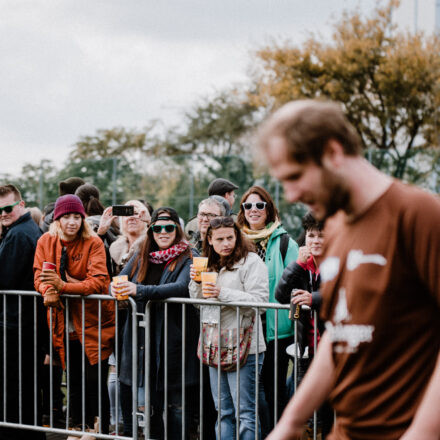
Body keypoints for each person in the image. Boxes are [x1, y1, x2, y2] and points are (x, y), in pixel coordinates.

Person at [259, 99, 440, 440]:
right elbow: (339, 333)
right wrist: (289, 423)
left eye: (296, 176)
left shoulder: (420, 214)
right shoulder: (338, 227)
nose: (292, 194)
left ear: (333, 151)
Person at [110, 207, 199, 438]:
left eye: (169, 227)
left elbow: (181, 288)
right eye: (157, 228)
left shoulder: (190, 256)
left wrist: (139, 290)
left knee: (177, 405)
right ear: (151, 231)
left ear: (177, 230)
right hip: (144, 340)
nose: (163, 232)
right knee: (152, 406)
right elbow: (123, 278)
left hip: (175, 340)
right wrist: (115, 286)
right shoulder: (142, 253)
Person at [34, 194, 115, 433]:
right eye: (66, 217)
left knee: (95, 380)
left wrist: (63, 287)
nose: (72, 222)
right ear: (57, 219)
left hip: (93, 321)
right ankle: (78, 428)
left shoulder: (94, 243)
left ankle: (96, 428)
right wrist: (47, 289)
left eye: (77, 217)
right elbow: (39, 273)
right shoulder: (45, 241)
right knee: (74, 380)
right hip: (63, 322)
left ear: (83, 218)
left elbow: (98, 282)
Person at [189, 216, 269, 440]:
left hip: (246, 346)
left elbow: (260, 303)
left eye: (230, 238)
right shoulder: (208, 262)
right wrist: (195, 284)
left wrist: (222, 293)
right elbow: (198, 303)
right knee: (222, 412)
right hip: (214, 344)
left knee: (245, 412)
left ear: (237, 237)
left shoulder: (251, 261)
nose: (226, 243)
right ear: (210, 241)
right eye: (220, 239)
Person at [237, 185, 298, 436]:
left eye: (259, 205)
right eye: (248, 205)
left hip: (275, 328)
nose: (254, 210)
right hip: (244, 326)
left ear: (269, 209)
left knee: (274, 390)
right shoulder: (234, 240)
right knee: (251, 389)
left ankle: (277, 432)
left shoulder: (285, 242)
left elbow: (296, 281)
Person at [275, 212, 333, 438]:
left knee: (330, 406)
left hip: (331, 348)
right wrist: (297, 264)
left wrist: (313, 299)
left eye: (321, 236)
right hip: (306, 349)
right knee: (305, 407)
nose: (315, 241)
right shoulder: (302, 266)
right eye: (311, 235)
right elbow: (280, 295)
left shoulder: (337, 262)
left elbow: (342, 292)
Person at [0, 184, 45, 440]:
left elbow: (4, 277)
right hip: (21, 322)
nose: (3, 214)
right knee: (25, 386)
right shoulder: (22, 229)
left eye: (7, 208)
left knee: (15, 387)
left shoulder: (19, 234)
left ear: (21, 205)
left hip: (17, 324)